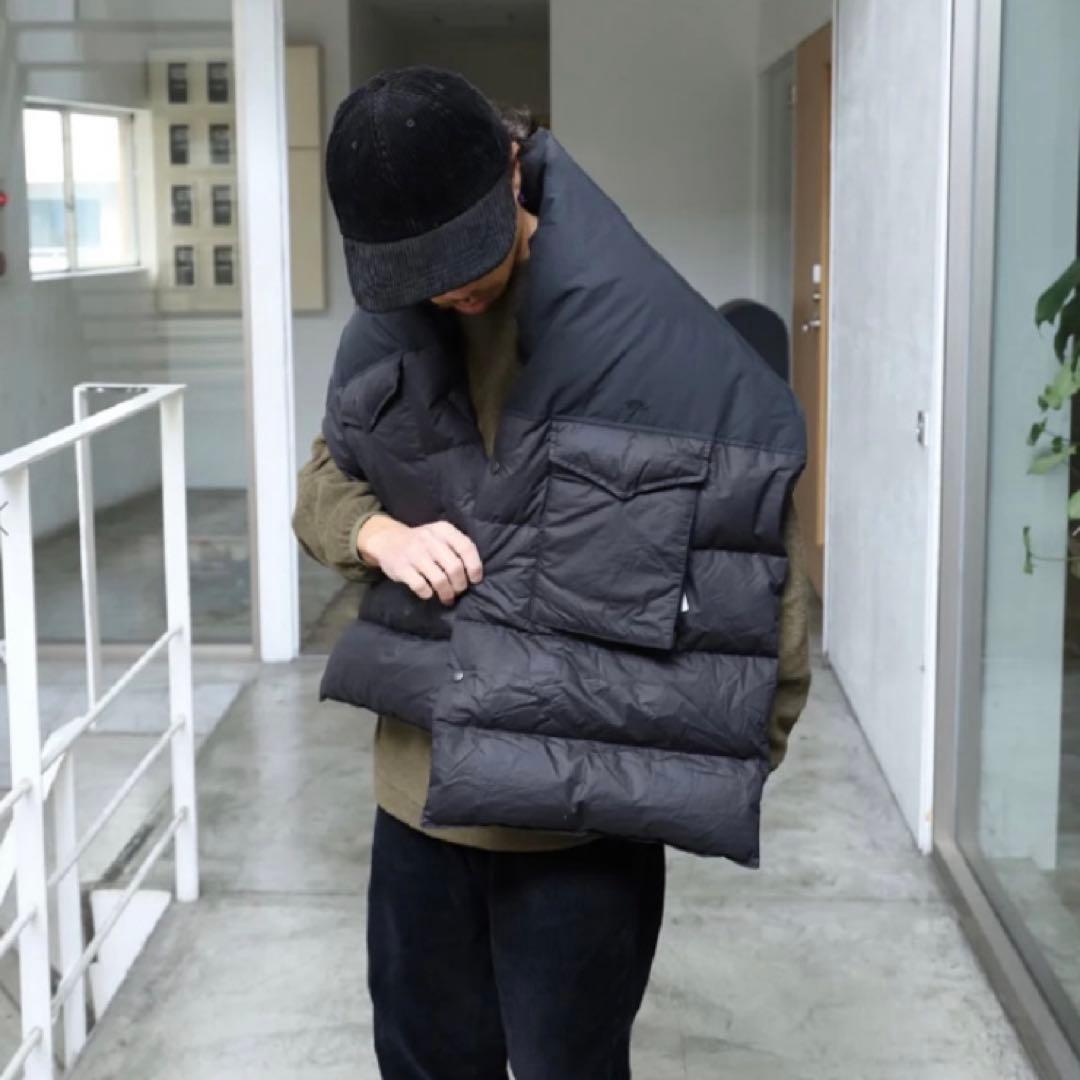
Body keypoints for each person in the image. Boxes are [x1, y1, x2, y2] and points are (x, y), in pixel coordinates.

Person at [294, 67, 811, 1080]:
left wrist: (703, 759)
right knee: (422, 1061)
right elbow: (322, 484)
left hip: (581, 824)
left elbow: (757, 560)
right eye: (424, 275)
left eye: (466, 258)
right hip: (418, 801)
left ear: (513, 170)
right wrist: (379, 535)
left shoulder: (655, 344)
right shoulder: (392, 333)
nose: (454, 291)